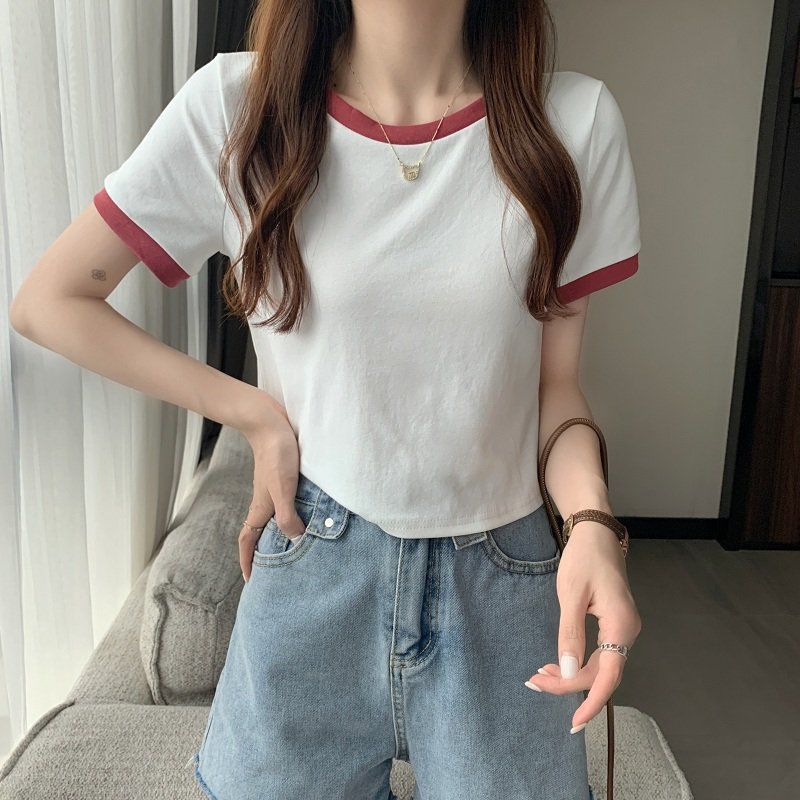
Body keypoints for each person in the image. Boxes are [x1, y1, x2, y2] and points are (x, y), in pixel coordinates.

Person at [9, 1, 643, 798]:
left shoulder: (574, 124)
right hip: (316, 562)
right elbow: (51, 300)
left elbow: (555, 388)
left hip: (503, 580)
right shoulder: (238, 110)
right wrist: (252, 414)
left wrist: (590, 524)